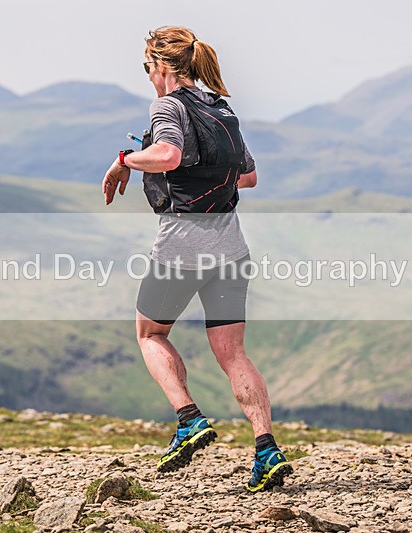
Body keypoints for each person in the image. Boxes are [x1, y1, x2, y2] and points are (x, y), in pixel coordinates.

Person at [101, 26, 292, 492]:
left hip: (183, 244)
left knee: (150, 333)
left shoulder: (169, 106)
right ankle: (266, 448)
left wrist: (125, 158)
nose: (147, 77)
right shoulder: (222, 110)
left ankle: (189, 419)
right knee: (233, 352)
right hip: (231, 248)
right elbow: (247, 178)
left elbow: (166, 155)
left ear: (161, 65)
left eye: (147, 68)